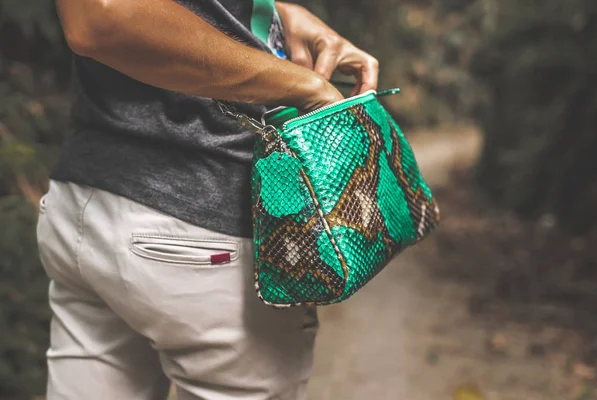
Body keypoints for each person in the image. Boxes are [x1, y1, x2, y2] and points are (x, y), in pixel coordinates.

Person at [37, 1, 379, 399]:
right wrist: (308, 87)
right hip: (205, 223)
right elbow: (105, 14)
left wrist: (271, 12)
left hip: (85, 204)